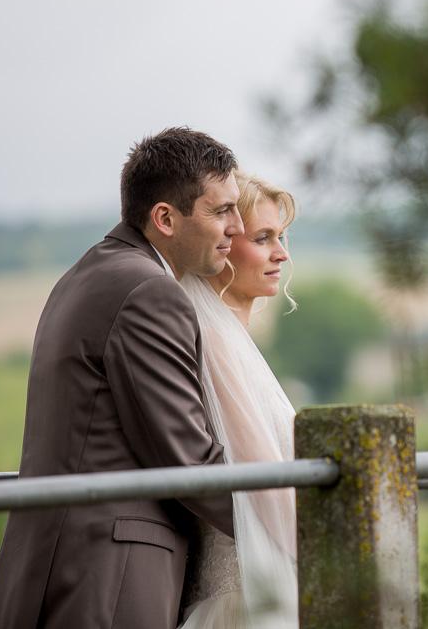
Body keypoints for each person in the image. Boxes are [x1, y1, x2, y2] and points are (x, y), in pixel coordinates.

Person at [0, 127, 244, 629]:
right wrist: (287, 520)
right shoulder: (149, 293)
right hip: (108, 576)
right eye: (221, 211)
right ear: (165, 218)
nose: (237, 225)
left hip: (57, 559)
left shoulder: (87, 275)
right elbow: (188, 459)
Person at [177, 171, 299, 629]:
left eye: (281, 237)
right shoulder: (214, 342)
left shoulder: (234, 344)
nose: (281, 253)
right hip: (244, 601)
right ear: (223, 245)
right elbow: (261, 479)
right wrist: (326, 557)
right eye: (263, 238)